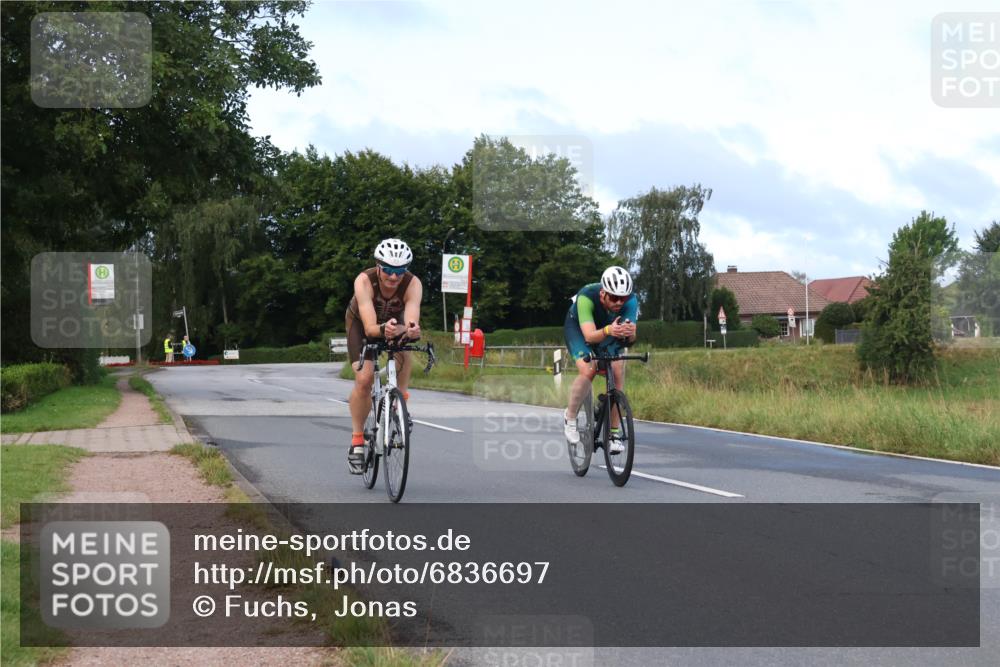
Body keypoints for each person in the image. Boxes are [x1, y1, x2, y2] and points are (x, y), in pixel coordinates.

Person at [344, 239, 423, 473]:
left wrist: (411, 330)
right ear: (378, 266)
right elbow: (370, 328)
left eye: (400, 271)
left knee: (404, 346)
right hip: (362, 326)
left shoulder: (413, 284)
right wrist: (383, 329)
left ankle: (400, 406)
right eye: (388, 270)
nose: (394, 276)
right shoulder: (364, 281)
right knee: (365, 379)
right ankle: (357, 442)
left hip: (393, 323)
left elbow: (411, 319)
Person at [562, 266, 638, 454]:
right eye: (614, 298)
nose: (619, 302)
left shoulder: (630, 301)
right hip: (580, 330)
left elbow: (630, 340)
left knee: (617, 371)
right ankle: (570, 417)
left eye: (623, 298)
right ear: (603, 293)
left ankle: (614, 433)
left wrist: (630, 334)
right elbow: (589, 336)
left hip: (608, 330)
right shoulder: (586, 297)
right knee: (589, 369)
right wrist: (609, 330)